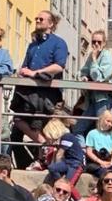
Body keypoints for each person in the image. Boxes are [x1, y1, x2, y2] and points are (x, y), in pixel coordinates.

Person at [11, 10, 69, 143]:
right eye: (36, 18)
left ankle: (46, 147)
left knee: (37, 125)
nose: (37, 21)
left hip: (45, 93)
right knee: (17, 127)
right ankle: (44, 147)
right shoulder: (33, 45)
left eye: (41, 19)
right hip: (28, 92)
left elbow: (59, 66)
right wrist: (23, 71)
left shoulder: (58, 43)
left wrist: (35, 73)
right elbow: (26, 66)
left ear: (51, 23)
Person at [79, 30, 112, 119]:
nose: (96, 44)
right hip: (91, 97)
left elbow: (98, 77)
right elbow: (82, 72)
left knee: (102, 126)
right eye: (93, 42)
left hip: (103, 98)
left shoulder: (107, 56)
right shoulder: (91, 55)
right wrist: (84, 77)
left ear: (104, 43)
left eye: (99, 42)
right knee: (79, 127)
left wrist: (94, 60)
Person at [84, 109, 112, 178]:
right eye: (108, 121)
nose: (110, 124)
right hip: (96, 162)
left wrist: (111, 163)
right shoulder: (92, 133)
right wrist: (100, 162)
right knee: (105, 174)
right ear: (102, 119)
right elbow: (89, 151)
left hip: (110, 161)